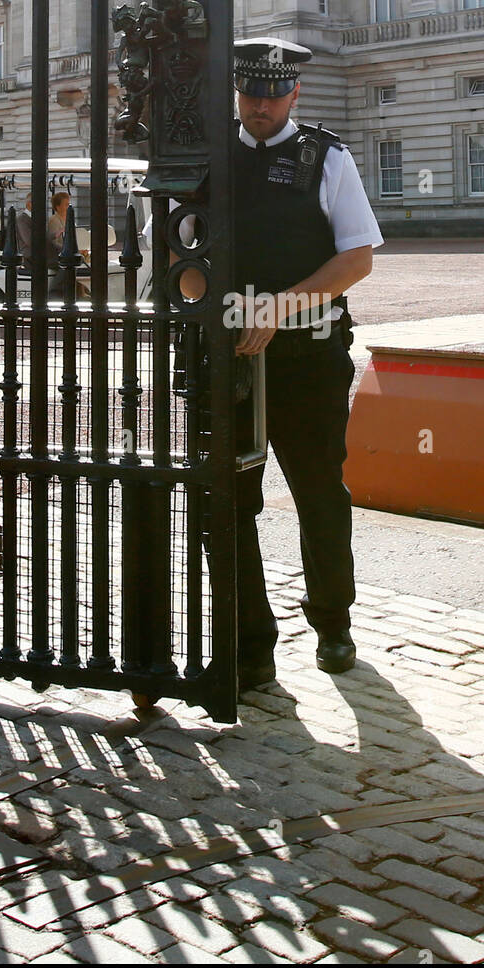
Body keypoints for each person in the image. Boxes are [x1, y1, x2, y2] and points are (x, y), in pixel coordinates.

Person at [185, 38, 384, 691]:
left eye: (272, 96)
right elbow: (182, 261)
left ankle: (332, 622)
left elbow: (357, 258)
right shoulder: (210, 161)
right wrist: (214, 306)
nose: (259, 107)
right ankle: (250, 643)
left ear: (294, 93)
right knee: (227, 500)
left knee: (319, 492)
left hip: (306, 354)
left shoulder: (325, 157)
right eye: (249, 94)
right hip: (229, 356)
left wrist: (278, 308)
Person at [14, 193, 33, 269]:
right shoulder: (22, 220)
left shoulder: (36, 218)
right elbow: (29, 241)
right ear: (29, 204)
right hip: (29, 257)